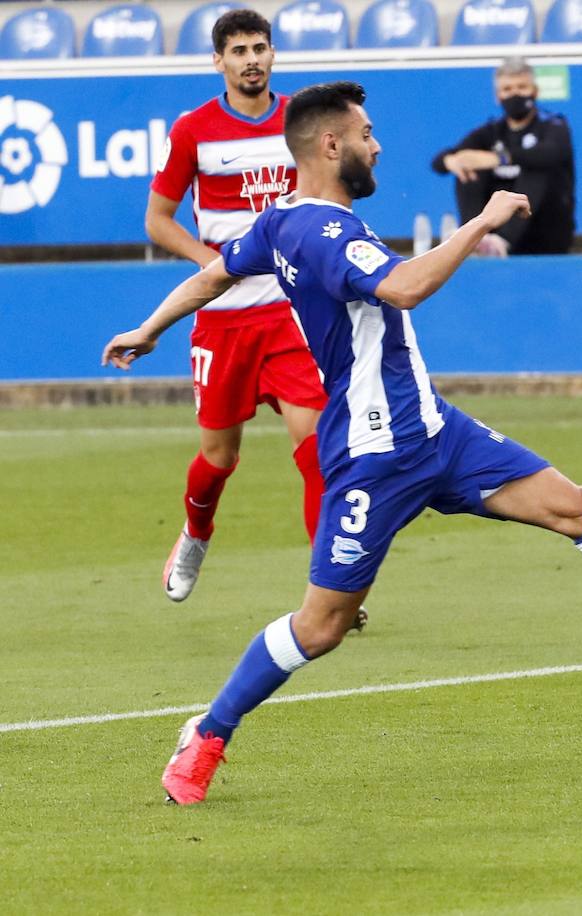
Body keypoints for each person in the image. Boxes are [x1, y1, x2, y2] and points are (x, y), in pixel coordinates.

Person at [102, 81, 582, 805]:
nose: (377, 144)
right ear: (330, 145)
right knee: (321, 628)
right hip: (375, 459)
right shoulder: (326, 234)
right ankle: (209, 734)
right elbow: (404, 288)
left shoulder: (280, 222)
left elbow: (215, 274)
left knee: (576, 507)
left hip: (436, 432)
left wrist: (147, 328)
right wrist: (480, 223)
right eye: (367, 133)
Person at [145, 10, 368, 628]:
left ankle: (334, 593)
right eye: (238, 50)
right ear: (218, 61)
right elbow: (158, 221)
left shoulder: (301, 120)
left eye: (260, 47)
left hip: (290, 315)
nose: (251, 59)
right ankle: (195, 531)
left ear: (273, 55)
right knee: (218, 455)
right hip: (222, 320)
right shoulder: (194, 130)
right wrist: (214, 263)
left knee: (318, 449)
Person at [430, 57, 574, 257]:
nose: (514, 94)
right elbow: (439, 161)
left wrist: (499, 158)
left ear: (535, 91)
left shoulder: (553, 125)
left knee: (536, 167)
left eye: (521, 87)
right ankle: (475, 240)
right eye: (507, 89)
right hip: (494, 226)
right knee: (469, 167)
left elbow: (554, 152)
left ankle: (500, 243)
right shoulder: (491, 131)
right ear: (498, 96)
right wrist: (453, 161)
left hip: (545, 230)